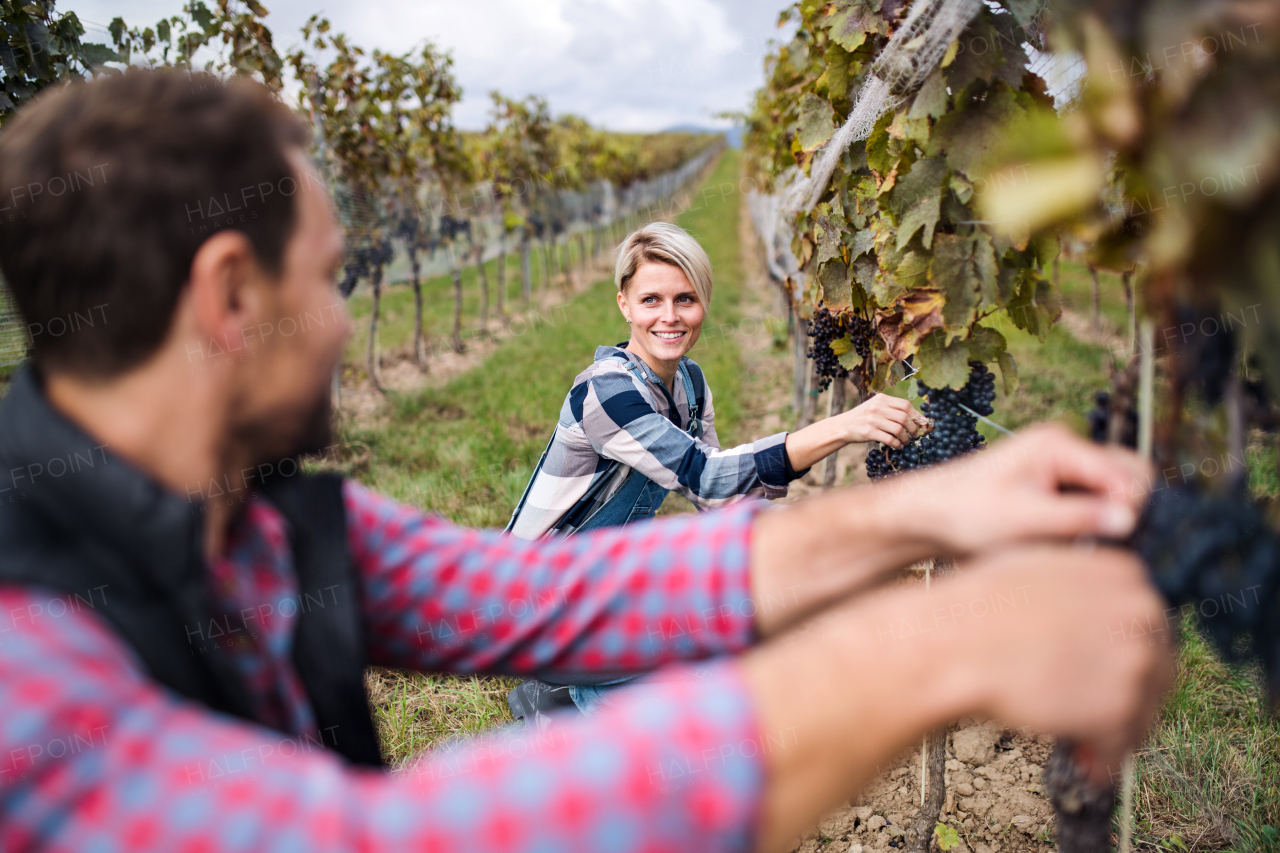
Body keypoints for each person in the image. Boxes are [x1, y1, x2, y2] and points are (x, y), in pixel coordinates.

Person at [0, 69, 1171, 853]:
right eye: (327, 279)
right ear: (229, 297)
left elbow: (553, 590)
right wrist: (933, 649)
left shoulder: (265, 529)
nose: (346, 321)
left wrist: (927, 513)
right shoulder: (29, 680)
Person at [504, 222, 927, 719]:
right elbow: (705, 474)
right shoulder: (607, 393)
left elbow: (722, 503)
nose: (669, 316)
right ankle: (565, 711)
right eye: (650, 301)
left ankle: (570, 690)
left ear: (704, 302)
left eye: (685, 299)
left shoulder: (689, 382)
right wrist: (842, 426)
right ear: (624, 305)